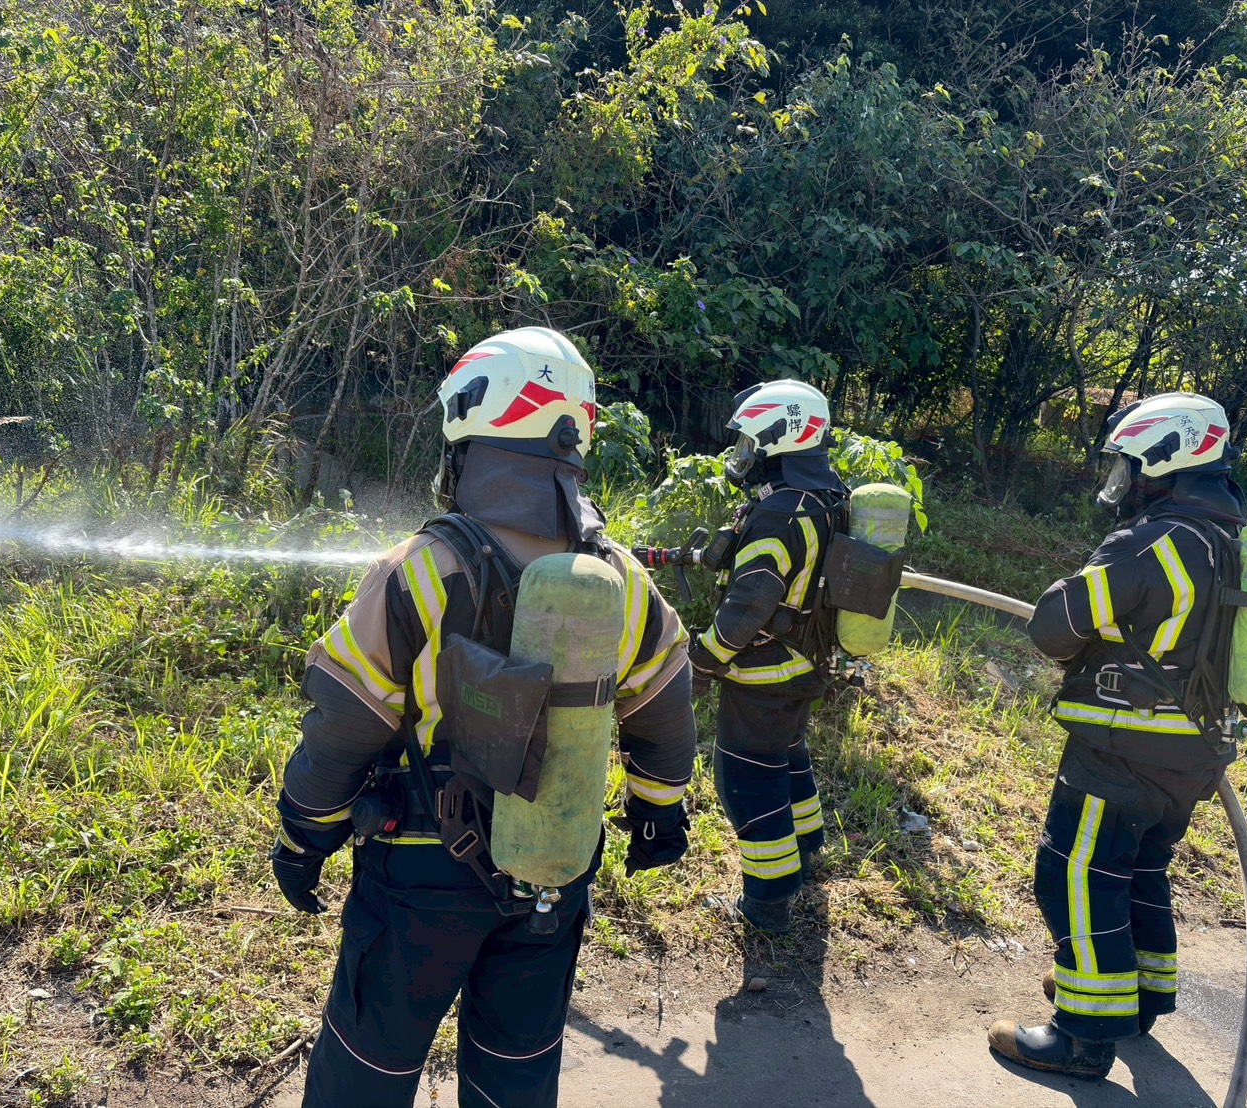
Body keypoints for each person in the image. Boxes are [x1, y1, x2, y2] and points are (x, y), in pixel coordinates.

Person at [269, 326, 697, 1108]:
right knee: (517, 1073)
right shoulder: (619, 578)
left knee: (366, 1071)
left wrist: (304, 834)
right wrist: (659, 815)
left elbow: (344, 724)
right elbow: (666, 715)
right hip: (552, 871)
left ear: (471, 425)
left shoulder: (423, 568)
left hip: (420, 874)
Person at [988, 392, 1247, 1079]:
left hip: (1120, 750)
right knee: (1137, 872)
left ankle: (1081, 1039)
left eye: (1129, 465)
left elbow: (1053, 627)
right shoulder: (1229, 538)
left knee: (1073, 876)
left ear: (1165, 460)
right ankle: (1134, 999)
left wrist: (1062, 590)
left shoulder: (1154, 540)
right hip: (1189, 756)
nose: (1123, 481)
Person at [688, 379, 848, 934]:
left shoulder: (780, 512)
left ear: (779, 437)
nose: (744, 455)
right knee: (787, 756)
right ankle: (807, 847)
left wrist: (705, 659)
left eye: (751, 443)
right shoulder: (825, 497)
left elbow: (751, 600)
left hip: (763, 672)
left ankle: (768, 901)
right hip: (805, 664)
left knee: (747, 778)